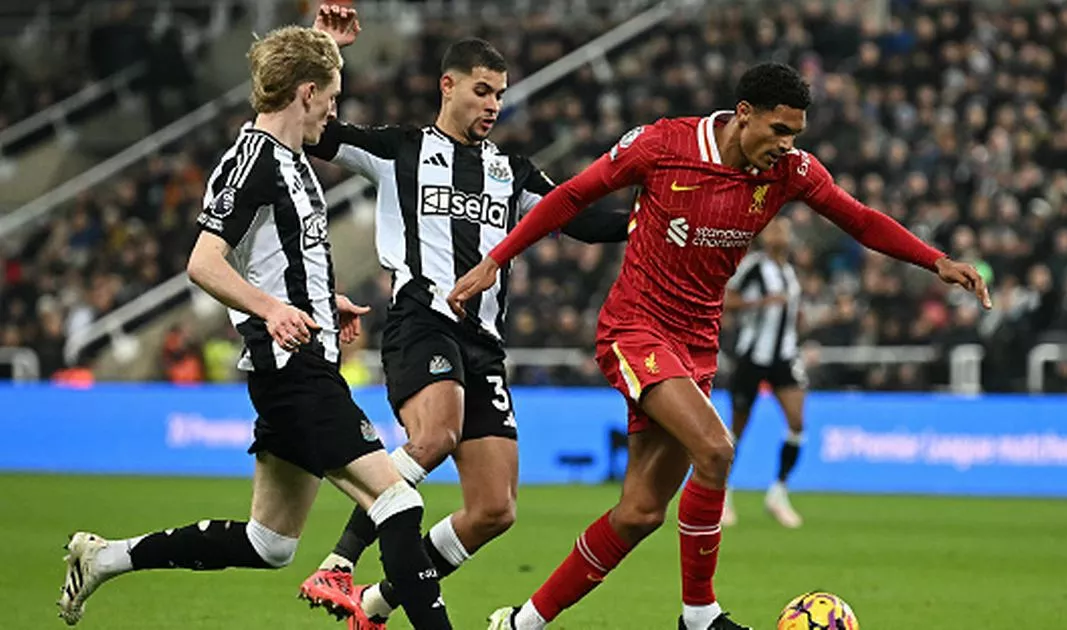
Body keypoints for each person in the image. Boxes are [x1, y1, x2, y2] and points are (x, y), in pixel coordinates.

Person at [449, 62, 991, 630]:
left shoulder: (789, 173)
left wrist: (936, 261)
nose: (786, 146)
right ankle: (699, 616)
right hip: (635, 329)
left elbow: (859, 219)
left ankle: (519, 624)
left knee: (639, 512)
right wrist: (495, 260)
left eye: (795, 136)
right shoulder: (663, 145)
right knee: (716, 449)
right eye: (778, 130)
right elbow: (571, 197)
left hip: (697, 345)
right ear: (744, 115)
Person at [55, 24, 450, 630]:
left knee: (271, 544)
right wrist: (273, 311)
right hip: (293, 372)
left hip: (297, 362)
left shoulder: (286, 160)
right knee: (397, 501)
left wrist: (321, 303)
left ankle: (106, 557)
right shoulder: (256, 162)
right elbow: (203, 262)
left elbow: (276, 260)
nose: (335, 112)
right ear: (308, 94)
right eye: (333, 98)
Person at [297, 5, 631, 619]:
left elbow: (581, 220)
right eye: (482, 91)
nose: (493, 105)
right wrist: (322, 49)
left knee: (494, 510)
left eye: (500, 95)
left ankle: (373, 601)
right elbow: (313, 129)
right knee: (436, 434)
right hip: (421, 320)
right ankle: (338, 563)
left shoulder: (513, 172)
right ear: (447, 86)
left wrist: (653, 219)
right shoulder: (398, 150)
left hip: (484, 342)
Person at [722, 214, 806, 529]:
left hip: (784, 355)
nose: (780, 232)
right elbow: (726, 299)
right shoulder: (754, 266)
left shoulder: (790, 271)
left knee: (797, 423)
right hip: (752, 356)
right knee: (736, 430)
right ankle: (722, 495)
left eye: (784, 228)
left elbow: (791, 308)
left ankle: (778, 492)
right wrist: (761, 304)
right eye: (774, 228)